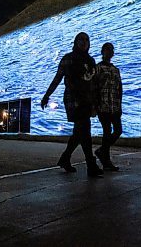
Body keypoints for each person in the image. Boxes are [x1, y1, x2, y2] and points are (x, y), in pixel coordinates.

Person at [41, 32, 103, 177]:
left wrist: (95, 103)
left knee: (79, 132)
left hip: (87, 100)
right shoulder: (68, 58)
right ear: (75, 42)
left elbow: (93, 83)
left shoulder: (90, 60)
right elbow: (57, 78)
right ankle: (91, 165)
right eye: (81, 39)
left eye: (86, 39)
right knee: (85, 130)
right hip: (73, 100)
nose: (84, 42)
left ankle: (65, 158)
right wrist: (47, 95)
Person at [94, 43, 123, 171]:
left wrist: (120, 105)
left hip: (115, 106)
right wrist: (95, 104)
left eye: (112, 49)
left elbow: (120, 88)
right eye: (107, 49)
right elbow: (94, 87)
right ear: (102, 51)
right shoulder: (98, 68)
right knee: (107, 132)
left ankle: (102, 151)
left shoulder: (116, 69)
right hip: (103, 105)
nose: (110, 52)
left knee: (118, 131)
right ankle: (106, 161)